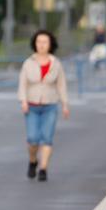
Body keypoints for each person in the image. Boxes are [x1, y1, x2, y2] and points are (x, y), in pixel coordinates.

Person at [18, 29, 70, 182]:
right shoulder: (29, 63)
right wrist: (23, 101)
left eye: (45, 42)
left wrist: (65, 104)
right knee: (33, 138)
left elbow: (61, 85)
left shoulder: (56, 63)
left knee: (47, 138)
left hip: (50, 105)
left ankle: (43, 168)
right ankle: (33, 160)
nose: (41, 45)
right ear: (35, 44)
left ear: (50, 44)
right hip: (32, 105)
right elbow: (22, 83)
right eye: (39, 42)